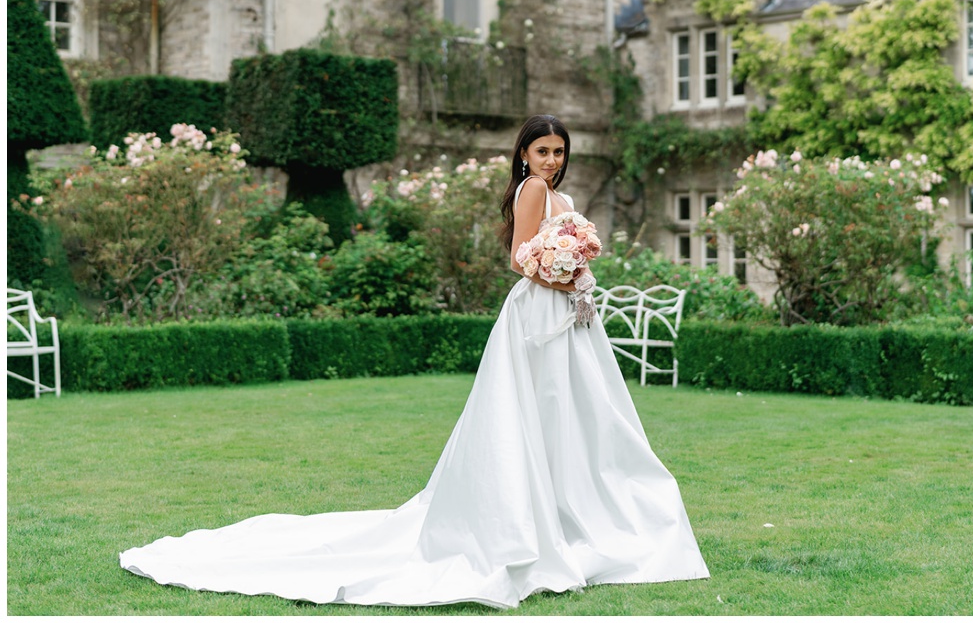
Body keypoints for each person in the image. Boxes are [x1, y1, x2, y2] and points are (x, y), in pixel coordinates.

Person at [121, 115, 708, 607]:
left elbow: (560, 252)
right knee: (539, 409)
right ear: (523, 154)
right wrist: (559, 272)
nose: (552, 160)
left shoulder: (565, 198)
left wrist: (579, 274)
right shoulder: (531, 191)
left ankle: (570, 510)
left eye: (558, 151)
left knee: (575, 414)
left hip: (571, 315)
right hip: (537, 313)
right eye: (542, 150)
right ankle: (535, 520)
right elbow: (519, 258)